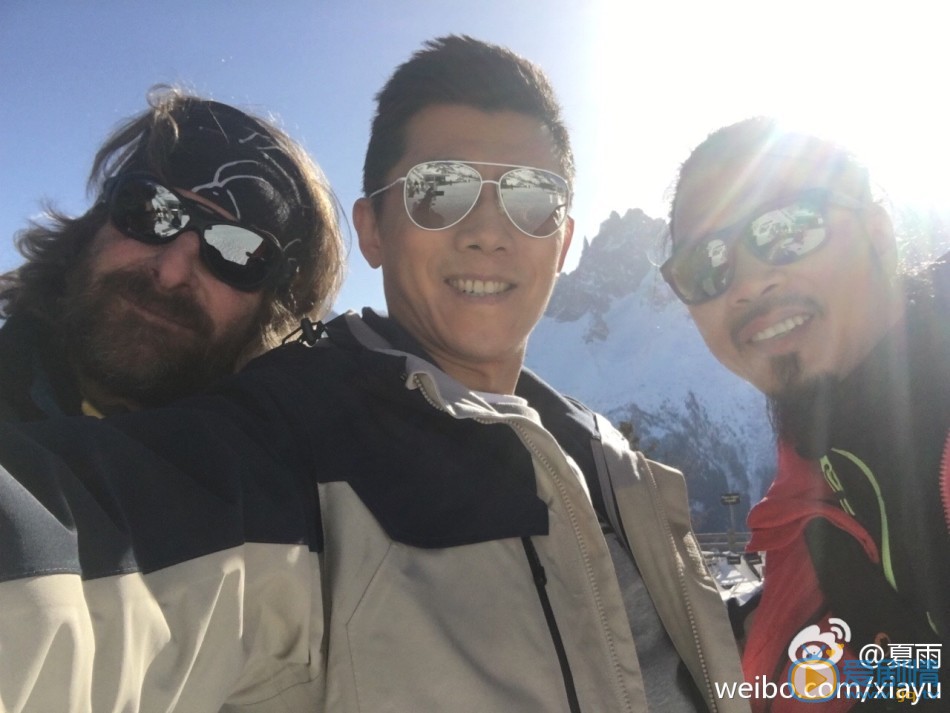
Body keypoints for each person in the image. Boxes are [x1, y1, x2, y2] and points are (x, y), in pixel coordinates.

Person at [0, 37, 747, 712]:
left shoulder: (615, 463)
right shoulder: (291, 451)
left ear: (564, 242)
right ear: (373, 230)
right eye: (440, 187)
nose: (488, 230)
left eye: (530, 197)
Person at [663, 117, 950, 710]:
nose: (745, 283)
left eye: (789, 228)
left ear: (878, 230)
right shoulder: (808, 499)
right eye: (705, 267)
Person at [0, 87, 345, 419]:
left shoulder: (272, 472)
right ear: (96, 223)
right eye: (149, 211)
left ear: (272, 306)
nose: (171, 273)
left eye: (236, 251)